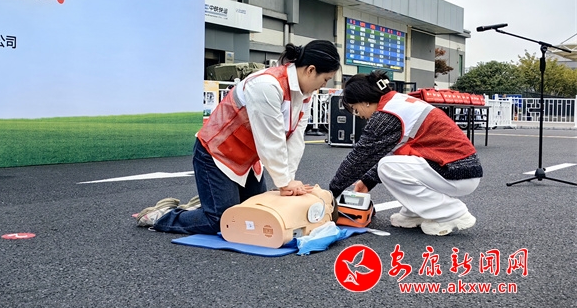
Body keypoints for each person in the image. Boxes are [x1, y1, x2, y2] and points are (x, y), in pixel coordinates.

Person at [137, 40, 341, 234]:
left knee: (255, 214)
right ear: (310, 70)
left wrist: (289, 180)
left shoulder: (304, 95)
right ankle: (161, 216)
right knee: (221, 220)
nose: (322, 86)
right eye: (325, 79)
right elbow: (271, 141)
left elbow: (295, 139)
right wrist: (285, 182)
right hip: (216, 154)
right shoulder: (267, 85)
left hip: (248, 160)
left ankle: (206, 202)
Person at [329, 70, 483, 236]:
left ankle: (452, 213)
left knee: (387, 167)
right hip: (457, 167)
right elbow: (391, 152)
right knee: (390, 163)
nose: (358, 115)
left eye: (355, 109)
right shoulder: (397, 102)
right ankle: (416, 212)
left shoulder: (385, 115)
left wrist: (331, 193)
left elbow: (359, 158)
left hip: (455, 171)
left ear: (364, 102)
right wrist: (367, 181)